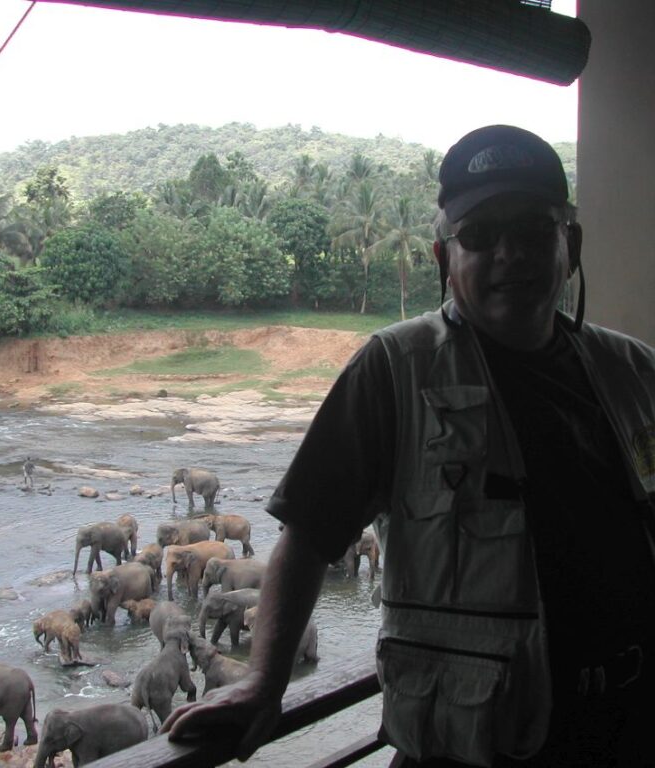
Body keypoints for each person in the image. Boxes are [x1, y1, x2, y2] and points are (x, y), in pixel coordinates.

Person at [162, 125, 655, 766]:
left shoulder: (636, 374)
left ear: (572, 245)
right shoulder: (394, 370)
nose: (510, 254)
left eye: (535, 230)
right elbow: (309, 535)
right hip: (473, 745)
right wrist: (264, 682)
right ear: (443, 259)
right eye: (479, 236)